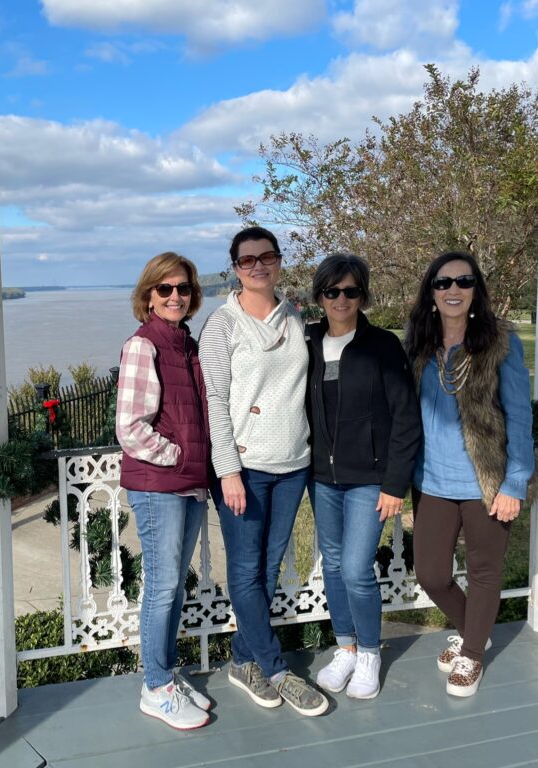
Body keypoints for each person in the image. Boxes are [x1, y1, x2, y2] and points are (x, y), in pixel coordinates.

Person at [199, 226, 329, 716]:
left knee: (267, 569)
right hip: (244, 470)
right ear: (235, 267)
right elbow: (213, 399)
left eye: (266, 257)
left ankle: (240, 660)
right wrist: (227, 471)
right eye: (247, 259)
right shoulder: (223, 324)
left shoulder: (293, 316)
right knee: (246, 572)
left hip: (292, 464)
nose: (258, 266)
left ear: (278, 261)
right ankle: (275, 669)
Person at [404, 251, 538, 698]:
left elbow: (520, 416)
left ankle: (474, 655)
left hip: (488, 481)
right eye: (443, 283)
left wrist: (514, 481)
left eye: (463, 281)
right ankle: (473, 633)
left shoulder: (500, 342)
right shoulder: (419, 346)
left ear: (475, 290)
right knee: (431, 574)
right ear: (431, 293)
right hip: (432, 482)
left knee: (484, 572)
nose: (453, 290)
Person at [305, 254, 421, 700]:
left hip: (369, 479)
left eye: (350, 291)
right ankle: (346, 647)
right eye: (332, 291)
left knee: (355, 568)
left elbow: (406, 418)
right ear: (319, 296)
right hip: (322, 478)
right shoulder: (309, 341)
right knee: (332, 565)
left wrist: (395, 484)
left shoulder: (382, 346)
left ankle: (370, 653)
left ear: (362, 295)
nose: (341, 299)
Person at [116, 251, 212, 730]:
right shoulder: (144, 345)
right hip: (161, 485)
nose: (176, 296)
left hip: (189, 484)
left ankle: (166, 674)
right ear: (149, 295)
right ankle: (155, 686)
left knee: (173, 586)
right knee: (163, 584)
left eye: (184, 289)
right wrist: (177, 456)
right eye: (165, 289)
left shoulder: (184, 344)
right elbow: (130, 427)